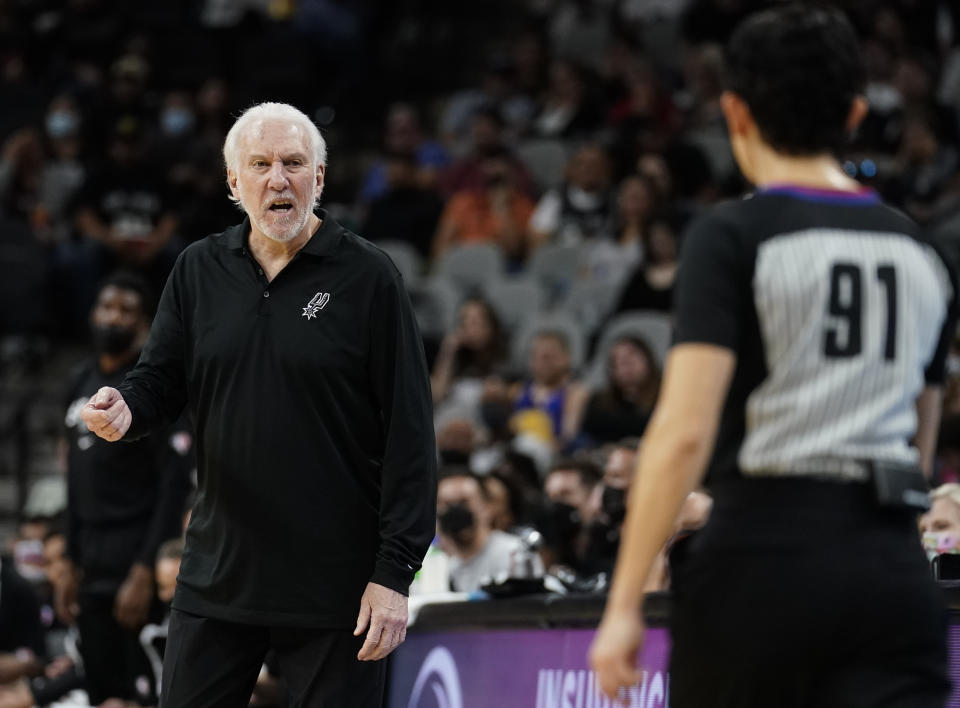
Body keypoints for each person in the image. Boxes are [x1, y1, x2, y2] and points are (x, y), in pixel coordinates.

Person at [590, 6, 957, 706]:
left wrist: (626, 599)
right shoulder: (925, 254)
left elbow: (685, 429)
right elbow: (919, 442)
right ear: (855, 115)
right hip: (892, 570)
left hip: (763, 561)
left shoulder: (730, 235)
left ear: (735, 111)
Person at [79, 102, 437, 706]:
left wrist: (394, 574)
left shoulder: (369, 277)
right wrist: (126, 410)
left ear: (319, 179)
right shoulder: (198, 268)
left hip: (337, 585)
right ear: (233, 182)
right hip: (221, 570)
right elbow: (160, 382)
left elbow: (410, 434)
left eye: (295, 163)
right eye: (262, 164)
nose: (279, 179)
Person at [57, 271, 193, 705]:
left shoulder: (149, 390)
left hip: (134, 556)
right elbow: (74, 481)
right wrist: (67, 557)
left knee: (141, 693)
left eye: (125, 311)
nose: (112, 318)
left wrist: (143, 568)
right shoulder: (79, 382)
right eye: (106, 307)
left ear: (143, 324)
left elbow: (174, 486)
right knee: (101, 691)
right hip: (89, 558)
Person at [435, 469, 542, 593]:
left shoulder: (515, 554)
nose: (456, 511)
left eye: (464, 502)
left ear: (486, 507)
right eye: (447, 504)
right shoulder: (440, 562)